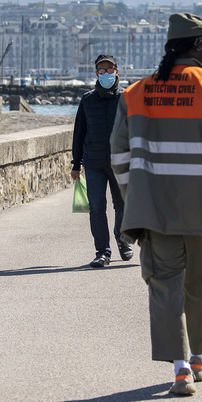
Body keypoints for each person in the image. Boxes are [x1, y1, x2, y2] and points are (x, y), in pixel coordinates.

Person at [111, 13, 202, 396]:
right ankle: (199, 359)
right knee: (201, 286)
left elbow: (119, 156)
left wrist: (134, 198)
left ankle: (179, 369)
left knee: (164, 287)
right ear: (196, 46)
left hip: (156, 212)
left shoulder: (135, 93)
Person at [71, 54, 131, 268]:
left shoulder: (127, 99)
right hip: (94, 163)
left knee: (122, 206)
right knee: (96, 207)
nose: (106, 74)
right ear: (96, 73)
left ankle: (122, 240)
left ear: (117, 71)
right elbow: (79, 133)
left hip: (121, 164)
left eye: (109, 69)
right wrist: (75, 164)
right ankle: (102, 252)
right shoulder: (87, 100)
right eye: (101, 71)